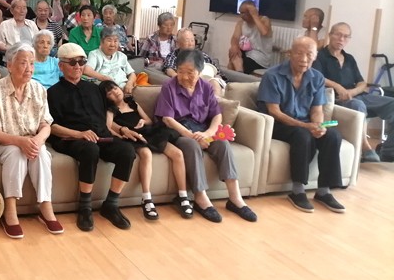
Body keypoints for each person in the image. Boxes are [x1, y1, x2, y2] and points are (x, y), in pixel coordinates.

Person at [155, 49, 257, 222]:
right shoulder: (169, 87)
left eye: (190, 72)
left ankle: (235, 198)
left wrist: (208, 133)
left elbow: (217, 115)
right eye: (180, 71)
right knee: (192, 146)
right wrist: (192, 136)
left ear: (200, 72)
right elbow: (167, 119)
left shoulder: (206, 87)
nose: (184, 77)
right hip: (178, 131)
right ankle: (200, 197)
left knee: (223, 144)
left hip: (202, 129)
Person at [47, 42, 137, 232]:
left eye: (81, 62)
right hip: (71, 139)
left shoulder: (94, 89)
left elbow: (106, 119)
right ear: (61, 65)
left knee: (127, 151)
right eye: (72, 62)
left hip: (100, 135)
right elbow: (52, 127)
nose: (78, 66)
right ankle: (85, 207)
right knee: (90, 149)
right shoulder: (52, 93)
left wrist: (121, 129)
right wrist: (79, 134)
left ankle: (111, 204)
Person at [257, 37, 346, 213]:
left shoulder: (317, 77)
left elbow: (317, 109)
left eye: (309, 54)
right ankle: (297, 190)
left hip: (304, 123)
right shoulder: (272, 76)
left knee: (333, 135)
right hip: (278, 124)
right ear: (290, 54)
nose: (304, 59)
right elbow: (274, 111)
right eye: (299, 53)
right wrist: (305, 127)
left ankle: (324, 191)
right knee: (302, 135)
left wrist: (318, 126)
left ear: (315, 56)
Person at [0, 42, 63, 237]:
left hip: (31, 139)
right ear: (10, 65)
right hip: (3, 143)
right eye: (23, 63)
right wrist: (21, 142)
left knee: (41, 153)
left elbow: (46, 124)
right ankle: (10, 210)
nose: (29, 68)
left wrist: (38, 140)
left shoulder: (39, 89)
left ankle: (46, 207)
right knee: (15, 153)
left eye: (32, 63)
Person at [100, 80, 188, 221]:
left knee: (177, 153)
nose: (115, 93)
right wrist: (120, 135)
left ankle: (183, 195)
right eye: (110, 93)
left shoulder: (133, 103)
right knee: (146, 154)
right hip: (133, 136)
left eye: (115, 88)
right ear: (106, 98)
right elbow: (108, 126)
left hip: (149, 133)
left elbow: (149, 120)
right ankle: (146, 198)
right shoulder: (111, 110)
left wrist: (143, 121)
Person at [313, 23, 394, 163]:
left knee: (392, 104)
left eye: (346, 36)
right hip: (336, 99)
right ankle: (366, 148)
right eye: (338, 34)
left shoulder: (349, 58)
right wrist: (338, 87)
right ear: (330, 35)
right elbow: (316, 76)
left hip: (357, 96)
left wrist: (352, 91)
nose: (341, 39)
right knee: (358, 105)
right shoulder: (320, 56)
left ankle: (388, 151)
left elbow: (362, 83)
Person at [163, 28, 225, 96]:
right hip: (192, 81)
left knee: (215, 83)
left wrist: (217, 79)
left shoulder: (202, 55)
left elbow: (217, 71)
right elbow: (168, 68)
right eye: (187, 41)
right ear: (178, 43)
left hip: (209, 80)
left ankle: (216, 100)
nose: (191, 44)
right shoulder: (174, 56)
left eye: (192, 40)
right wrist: (179, 77)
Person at [86, 25, 137, 93]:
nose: (112, 44)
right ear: (101, 42)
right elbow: (87, 70)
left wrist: (129, 83)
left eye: (115, 41)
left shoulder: (121, 56)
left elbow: (132, 73)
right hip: (107, 90)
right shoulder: (94, 54)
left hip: (124, 88)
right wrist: (104, 78)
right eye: (109, 40)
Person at [228, 0, 273, 74]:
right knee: (233, 54)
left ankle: (239, 75)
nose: (241, 16)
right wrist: (234, 46)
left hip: (260, 58)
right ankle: (239, 74)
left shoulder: (264, 20)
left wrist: (255, 16)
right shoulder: (241, 23)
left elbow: (264, 32)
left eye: (243, 13)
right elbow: (235, 38)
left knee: (238, 64)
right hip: (247, 53)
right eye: (240, 13)